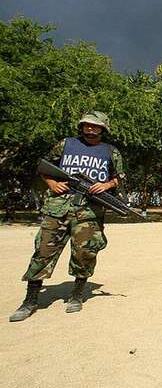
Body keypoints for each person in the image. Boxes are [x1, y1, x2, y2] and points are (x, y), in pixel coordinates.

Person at [9, 111, 125, 322]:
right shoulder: (65, 144)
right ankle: (30, 300)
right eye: (87, 125)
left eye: (95, 126)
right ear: (81, 126)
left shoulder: (111, 152)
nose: (90, 129)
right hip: (58, 208)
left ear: (103, 129)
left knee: (85, 253)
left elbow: (119, 177)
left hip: (89, 211)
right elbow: (43, 166)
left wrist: (106, 185)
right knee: (43, 251)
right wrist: (52, 183)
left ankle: (77, 295)